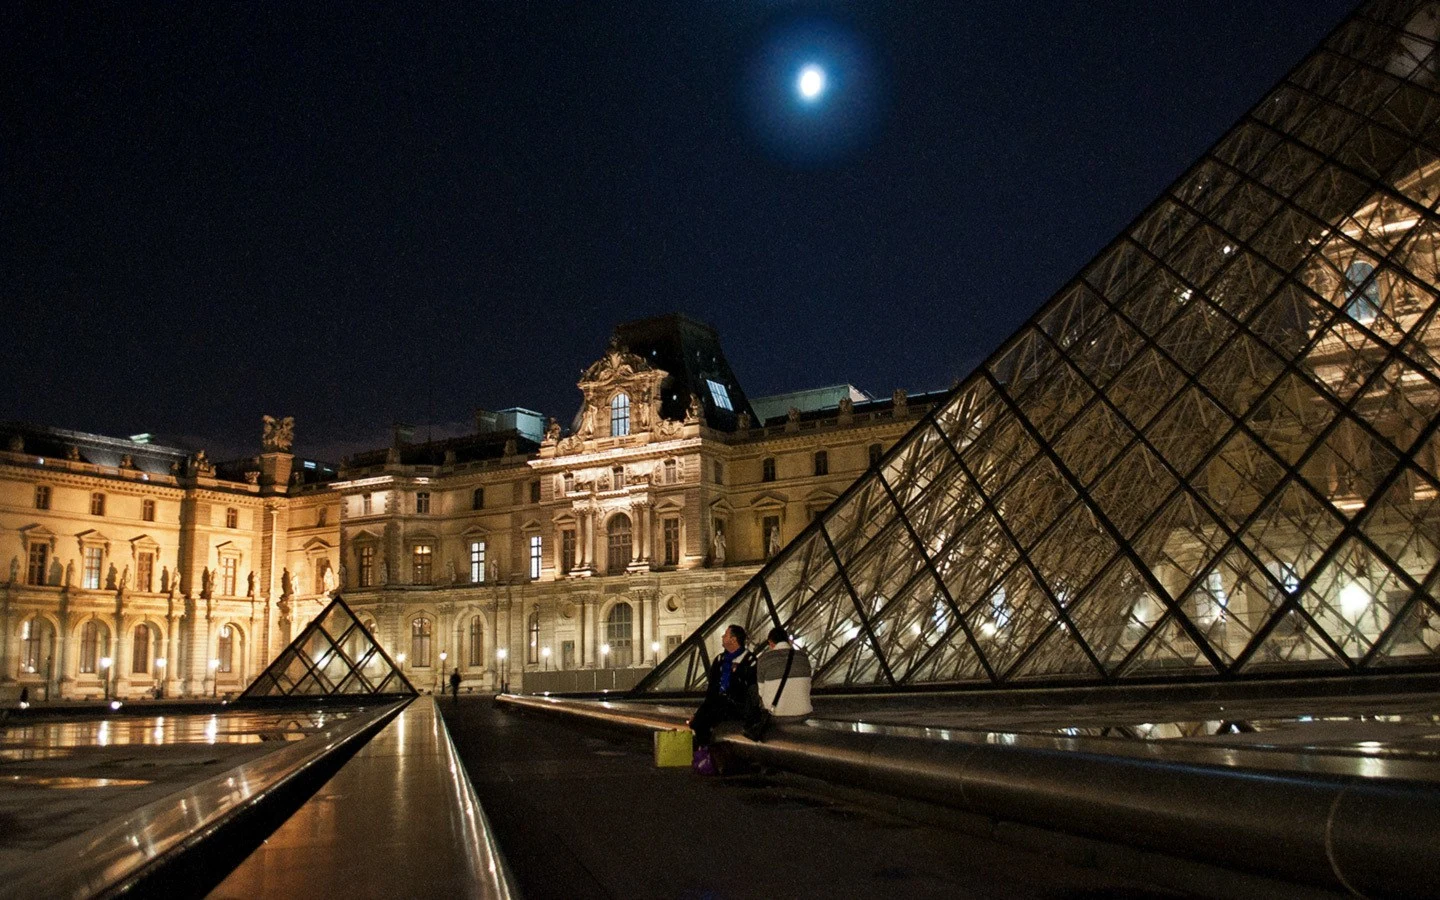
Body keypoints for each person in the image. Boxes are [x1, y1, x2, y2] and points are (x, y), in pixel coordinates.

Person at [687, 623, 755, 746]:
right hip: (720, 705)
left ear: (733, 640)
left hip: (738, 708)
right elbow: (711, 690)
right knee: (696, 723)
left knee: (702, 724)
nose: (722, 637)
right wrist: (698, 714)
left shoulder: (750, 661)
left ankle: (708, 755)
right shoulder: (719, 660)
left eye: (725, 635)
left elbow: (751, 688)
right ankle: (708, 754)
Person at [753, 626, 813, 721]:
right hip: (805, 713)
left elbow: (761, 692)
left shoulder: (764, 659)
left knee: (752, 690)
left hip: (776, 715)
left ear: (770, 643)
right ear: (788, 641)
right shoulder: (803, 657)